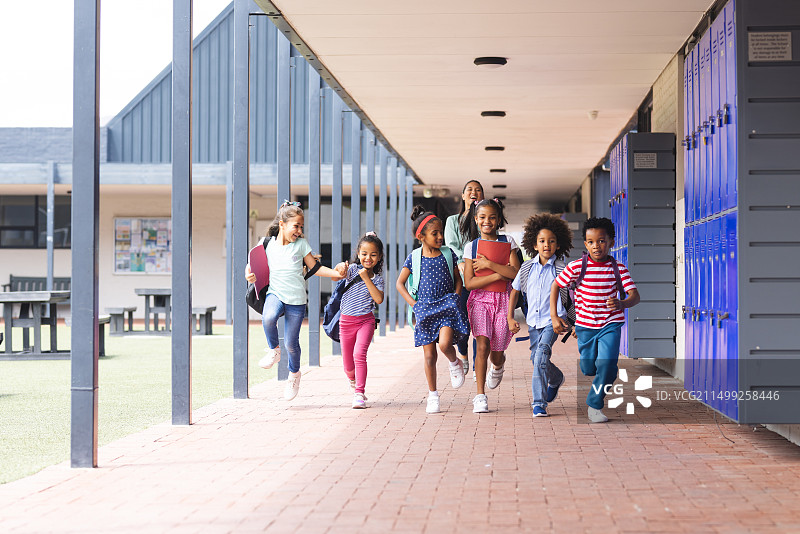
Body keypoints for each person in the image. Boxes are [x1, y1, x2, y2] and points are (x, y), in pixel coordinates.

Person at [245, 201, 347, 401]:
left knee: (291, 343)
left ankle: (294, 374)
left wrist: (336, 273)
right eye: (296, 226)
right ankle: (274, 350)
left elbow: (315, 268)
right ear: (282, 224)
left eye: (302, 227)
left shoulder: (301, 245)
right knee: (268, 317)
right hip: (275, 294)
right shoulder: (266, 244)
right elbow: (251, 265)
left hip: (297, 300)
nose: (300, 231)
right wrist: (248, 275)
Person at [550, 217, 640, 423]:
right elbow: (556, 285)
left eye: (601, 241)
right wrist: (554, 316)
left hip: (610, 324)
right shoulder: (577, 267)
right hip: (585, 326)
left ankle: (594, 404)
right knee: (589, 368)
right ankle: (604, 370)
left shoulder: (619, 268)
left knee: (606, 366)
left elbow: (635, 296)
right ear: (585, 244)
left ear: (611, 242)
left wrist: (622, 303)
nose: (596, 246)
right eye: (591, 242)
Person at [396, 206, 469, 414]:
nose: (440, 237)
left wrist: (456, 296)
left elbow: (458, 279)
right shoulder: (414, 257)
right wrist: (414, 304)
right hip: (425, 310)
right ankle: (433, 395)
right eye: (434, 233)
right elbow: (400, 284)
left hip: (446, 307)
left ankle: (454, 362)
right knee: (429, 356)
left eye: (440, 232)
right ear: (421, 236)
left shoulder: (448, 254)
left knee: (445, 344)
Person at [507, 214, 573, 418]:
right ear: (534, 245)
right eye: (542, 241)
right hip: (533, 322)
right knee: (536, 358)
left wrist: (575, 322)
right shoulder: (526, 268)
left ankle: (539, 404)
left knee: (542, 353)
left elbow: (575, 295)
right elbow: (515, 291)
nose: (547, 245)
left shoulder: (562, 269)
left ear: (558, 245)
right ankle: (556, 378)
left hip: (554, 321)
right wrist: (510, 317)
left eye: (551, 241)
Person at [462, 198, 520, 413]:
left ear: (498, 220)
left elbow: (516, 273)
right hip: (479, 300)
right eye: (483, 217)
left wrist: (488, 264)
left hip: (503, 300)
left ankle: (498, 364)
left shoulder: (508, 241)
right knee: (482, 345)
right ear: (476, 219)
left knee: (496, 352)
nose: (487, 221)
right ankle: (480, 396)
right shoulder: (471, 247)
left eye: (492, 217)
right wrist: (498, 274)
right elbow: (469, 283)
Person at [339, 232, 385, 409]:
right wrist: (339, 267)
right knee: (348, 366)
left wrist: (366, 277)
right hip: (346, 323)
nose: (368, 258)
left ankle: (359, 393)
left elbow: (379, 299)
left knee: (359, 354)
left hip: (366, 322)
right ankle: (353, 379)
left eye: (373, 254)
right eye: (364, 254)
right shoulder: (351, 270)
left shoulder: (377, 279)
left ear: (379, 257)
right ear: (358, 253)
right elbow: (336, 276)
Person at [444, 180, 484, 377]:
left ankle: (478, 365)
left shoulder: (484, 220)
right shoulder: (453, 221)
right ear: (462, 195)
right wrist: (462, 260)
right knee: (462, 323)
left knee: (479, 325)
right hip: (460, 278)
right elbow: (451, 245)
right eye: (469, 189)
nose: (473, 192)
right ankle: (463, 354)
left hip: (481, 278)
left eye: (478, 190)